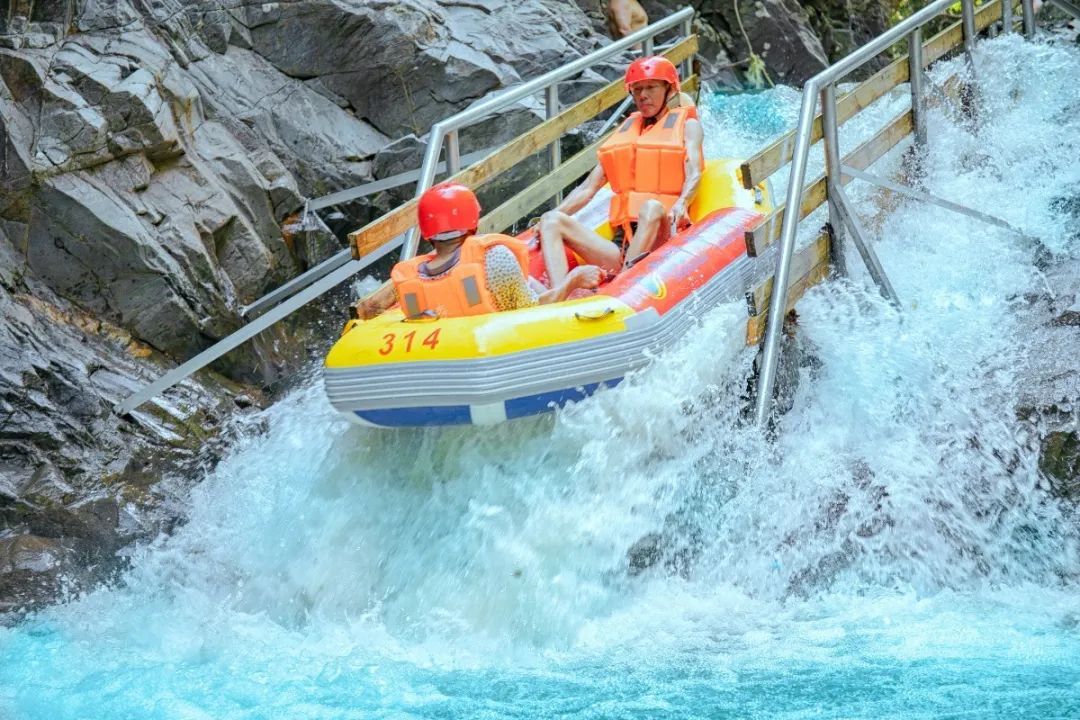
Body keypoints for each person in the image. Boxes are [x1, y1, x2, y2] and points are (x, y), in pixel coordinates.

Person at [538, 56, 704, 286]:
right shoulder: (626, 134)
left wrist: (682, 203)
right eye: (636, 90)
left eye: (650, 87)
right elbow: (587, 189)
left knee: (651, 207)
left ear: (669, 89)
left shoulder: (688, 126)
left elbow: (695, 171)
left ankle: (623, 286)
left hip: (661, 238)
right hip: (621, 248)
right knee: (551, 219)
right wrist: (552, 216)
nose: (642, 95)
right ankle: (559, 293)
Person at [355, 183, 601, 320]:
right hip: (499, 353)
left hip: (446, 361)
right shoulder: (494, 259)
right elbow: (537, 313)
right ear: (472, 220)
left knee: (525, 280)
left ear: (427, 232)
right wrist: (573, 281)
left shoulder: (410, 278)